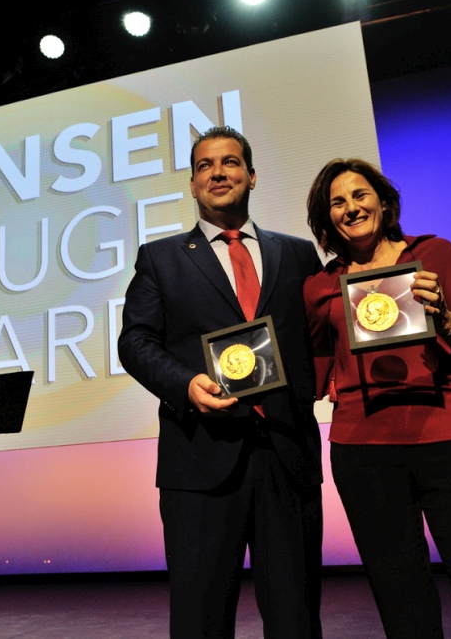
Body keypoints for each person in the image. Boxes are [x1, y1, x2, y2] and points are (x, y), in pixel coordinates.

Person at [303, 158, 451, 638]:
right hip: (363, 452)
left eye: (360, 195)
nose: (351, 208)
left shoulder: (435, 255)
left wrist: (446, 319)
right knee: (400, 598)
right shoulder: (320, 287)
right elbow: (314, 367)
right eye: (337, 203)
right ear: (327, 222)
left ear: (384, 204)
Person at [118, 126, 324, 638]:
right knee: (200, 619)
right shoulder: (161, 258)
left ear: (251, 176)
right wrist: (185, 385)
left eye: (230, 162)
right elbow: (135, 342)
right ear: (192, 184)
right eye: (205, 165)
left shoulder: (298, 255)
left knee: (296, 617)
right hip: (200, 459)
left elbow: (322, 335)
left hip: (286, 455)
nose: (218, 172)